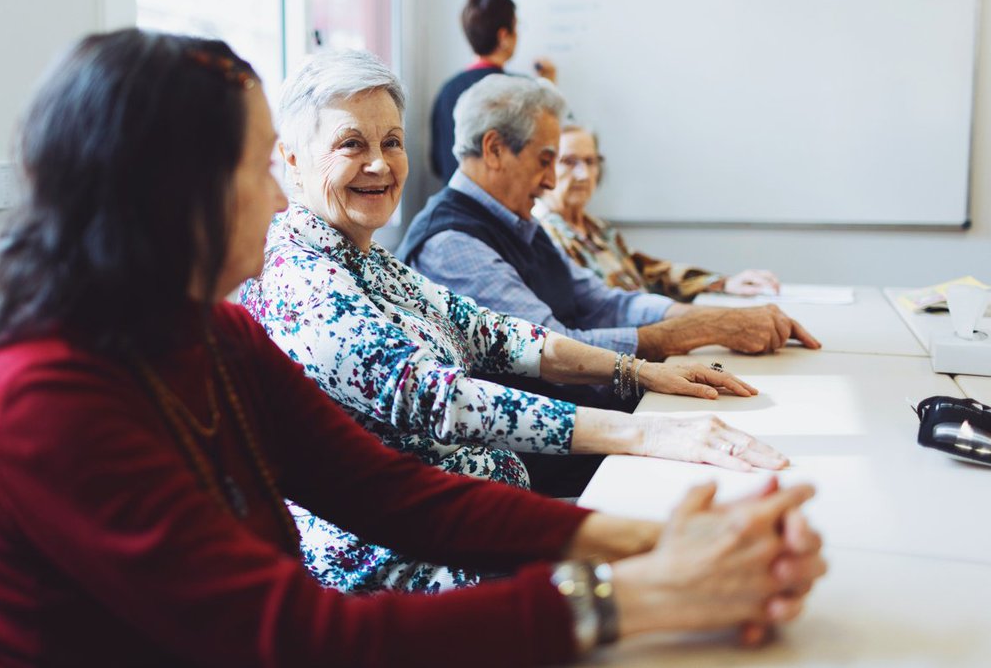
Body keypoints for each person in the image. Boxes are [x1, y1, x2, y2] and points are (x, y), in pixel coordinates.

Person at [0, 29, 825, 667]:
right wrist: (646, 591)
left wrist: (653, 539)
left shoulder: (212, 333)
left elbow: (389, 491)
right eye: (258, 171)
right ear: (173, 197)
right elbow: (290, 634)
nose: (278, 202)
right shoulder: (40, 402)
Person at [242, 49, 787, 587]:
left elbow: (491, 332)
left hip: (479, 522)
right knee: (694, 572)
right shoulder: (301, 279)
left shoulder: (362, 255)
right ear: (291, 159)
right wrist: (645, 432)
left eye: (391, 142)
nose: (380, 164)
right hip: (408, 563)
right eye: (351, 144)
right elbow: (438, 398)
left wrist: (638, 372)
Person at [401, 74, 822, 361]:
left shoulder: (515, 220)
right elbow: (553, 349)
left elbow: (604, 302)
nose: (552, 181)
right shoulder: (453, 244)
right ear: (493, 149)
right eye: (547, 161)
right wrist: (706, 330)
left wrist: (720, 320)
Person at [536, 125, 780, 301]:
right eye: (569, 161)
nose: (584, 175)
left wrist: (724, 283)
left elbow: (650, 273)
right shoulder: (542, 236)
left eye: (591, 162)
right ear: (545, 167)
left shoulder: (598, 228)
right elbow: (596, 309)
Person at [430, 0, 557, 180]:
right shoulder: (523, 90)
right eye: (517, 27)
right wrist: (548, 84)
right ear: (504, 36)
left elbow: (437, 162)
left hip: (455, 199)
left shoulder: (447, 90)